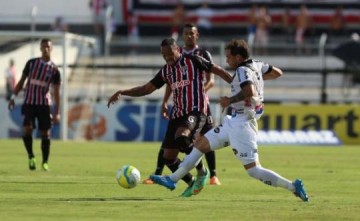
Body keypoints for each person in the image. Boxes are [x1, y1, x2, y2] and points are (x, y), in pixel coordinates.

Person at [150, 39, 309, 202]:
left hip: (242, 126)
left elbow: (249, 90)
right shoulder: (257, 65)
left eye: (229, 57)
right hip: (234, 121)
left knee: (254, 170)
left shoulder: (242, 70)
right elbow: (278, 72)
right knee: (200, 145)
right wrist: (258, 79)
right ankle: (172, 179)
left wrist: (229, 100)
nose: (227, 60)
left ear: (239, 57)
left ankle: (292, 186)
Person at [107, 37, 232, 197]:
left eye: (170, 54)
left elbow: (218, 70)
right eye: (164, 55)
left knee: (182, 137)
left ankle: (202, 172)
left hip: (195, 111)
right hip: (178, 113)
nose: (167, 58)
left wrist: (236, 84)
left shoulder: (193, 60)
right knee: (168, 157)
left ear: (178, 50)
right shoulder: (166, 71)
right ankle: (191, 182)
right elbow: (146, 89)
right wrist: (122, 91)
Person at [142, 23, 221, 186]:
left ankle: (212, 175)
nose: (189, 36)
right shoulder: (176, 56)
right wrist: (165, 101)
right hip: (182, 106)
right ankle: (161, 173)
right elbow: (170, 82)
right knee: (172, 141)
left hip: (201, 105)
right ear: (182, 37)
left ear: (197, 35)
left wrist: (198, 90)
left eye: (192, 34)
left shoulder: (202, 54)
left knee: (205, 139)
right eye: (186, 34)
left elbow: (211, 80)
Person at [8, 38, 61, 171]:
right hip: (29, 102)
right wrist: (13, 96)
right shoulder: (31, 63)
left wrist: (57, 112)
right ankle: (31, 156)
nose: (46, 49)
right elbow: (21, 82)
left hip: (44, 104)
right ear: (40, 48)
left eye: (48, 47)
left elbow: (57, 93)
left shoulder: (55, 70)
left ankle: (45, 161)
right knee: (27, 129)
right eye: (43, 47)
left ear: (51, 49)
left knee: (45, 133)